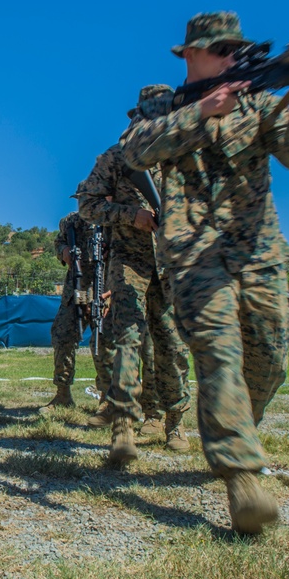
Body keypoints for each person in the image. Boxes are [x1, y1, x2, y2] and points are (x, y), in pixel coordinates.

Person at [120, 12, 289, 533]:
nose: (233, 57)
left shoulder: (259, 101)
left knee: (270, 355)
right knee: (219, 355)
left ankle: (236, 428)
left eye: (238, 49)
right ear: (191, 53)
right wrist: (202, 112)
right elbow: (134, 150)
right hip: (192, 254)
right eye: (222, 49)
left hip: (257, 250)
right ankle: (243, 479)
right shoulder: (164, 106)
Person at [77, 85, 193, 458]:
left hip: (172, 263)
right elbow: (88, 206)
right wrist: (132, 216)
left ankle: (174, 422)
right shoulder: (116, 157)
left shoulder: (186, 155)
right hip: (129, 259)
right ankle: (124, 423)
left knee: (172, 346)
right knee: (127, 337)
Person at [43, 212, 107, 410]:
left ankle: (107, 397)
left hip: (103, 288)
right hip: (77, 289)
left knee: (103, 339)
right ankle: (63, 395)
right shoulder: (70, 222)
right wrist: (63, 251)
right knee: (62, 335)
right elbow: (58, 242)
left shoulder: (111, 218)